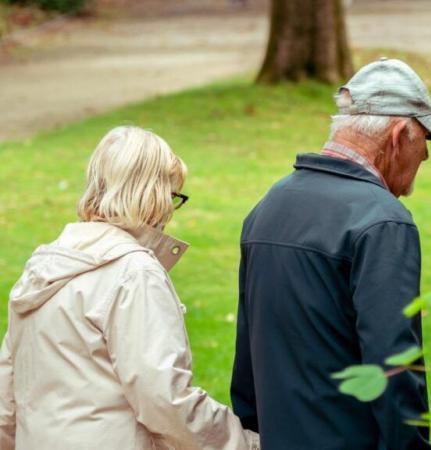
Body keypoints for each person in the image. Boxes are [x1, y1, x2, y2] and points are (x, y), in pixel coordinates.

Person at [230, 58, 431, 450]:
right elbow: (393, 362)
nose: (423, 159)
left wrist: (254, 430)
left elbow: (248, 353)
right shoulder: (382, 220)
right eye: (424, 144)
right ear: (399, 135)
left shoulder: (270, 205)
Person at [0, 126, 260, 450]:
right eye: (172, 196)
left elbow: (7, 397)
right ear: (152, 194)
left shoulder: (42, 267)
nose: (170, 211)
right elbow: (165, 399)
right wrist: (245, 444)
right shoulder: (134, 273)